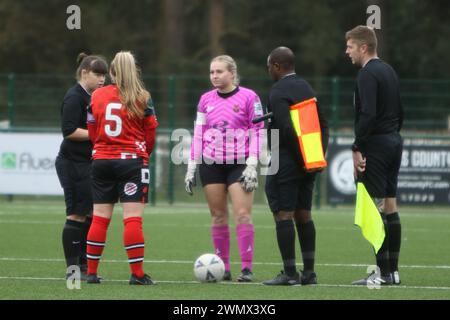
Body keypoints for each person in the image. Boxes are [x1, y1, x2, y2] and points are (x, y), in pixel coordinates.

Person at [184, 55, 264, 282]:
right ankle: (224, 268)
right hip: (211, 165)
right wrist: (192, 165)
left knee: (242, 215)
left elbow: (258, 131)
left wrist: (252, 162)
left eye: (219, 71)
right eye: (211, 72)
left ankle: (246, 269)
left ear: (232, 73)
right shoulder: (205, 100)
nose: (214, 76)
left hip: (240, 164)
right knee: (218, 216)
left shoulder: (249, 97)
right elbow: (198, 134)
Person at [85, 51, 158, 285]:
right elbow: (151, 135)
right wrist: (142, 154)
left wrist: (103, 148)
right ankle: (137, 275)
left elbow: (93, 132)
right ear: (134, 70)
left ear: (112, 72)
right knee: (132, 219)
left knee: (99, 218)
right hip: (131, 162)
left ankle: (92, 273)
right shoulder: (143, 97)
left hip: (102, 161)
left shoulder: (97, 95)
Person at [262, 47, 329, 286]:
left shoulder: (278, 90)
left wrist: (297, 159)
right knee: (304, 214)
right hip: (309, 160)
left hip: (285, 159)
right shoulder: (306, 87)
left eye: (269, 66)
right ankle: (309, 274)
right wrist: (317, 157)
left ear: (278, 66)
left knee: (283, 213)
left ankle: (290, 273)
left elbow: (286, 129)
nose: (268, 70)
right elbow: (323, 124)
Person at [345, 26, 403, 286]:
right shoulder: (389, 70)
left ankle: (381, 273)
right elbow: (400, 110)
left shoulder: (367, 74)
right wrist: (391, 135)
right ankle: (393, 272)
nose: (347, 51)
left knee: (374, 209)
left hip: (376, 146)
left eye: (350, 46)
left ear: (363, 47)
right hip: (393, 141)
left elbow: (367, 114)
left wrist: (358, 147)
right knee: (390, 205)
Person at [55, 53, 108, 279]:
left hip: (88, 163)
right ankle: (73, 270)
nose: (102, 79)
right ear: (84, 72)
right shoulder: (75, 97)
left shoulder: (95, 96)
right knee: (76, 214)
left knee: (89, 214)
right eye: (97, 74)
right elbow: (69, 131)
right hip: (72, 163)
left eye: (104, 74)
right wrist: (99, 135)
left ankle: (85, 266)